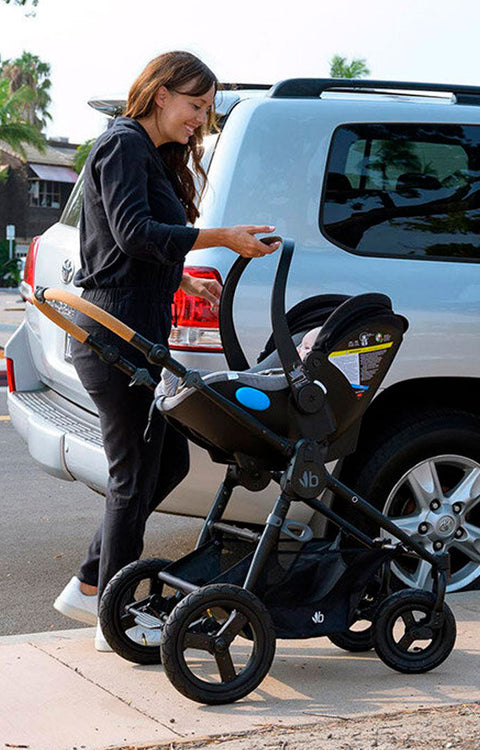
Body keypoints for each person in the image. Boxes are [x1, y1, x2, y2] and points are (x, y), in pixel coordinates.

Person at [52, 51, 280, 650]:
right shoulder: (123, 144)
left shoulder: (146, 153)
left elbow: (120, 247)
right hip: (113, 336)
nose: (200, 121)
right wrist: (219, 238)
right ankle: (114, 614)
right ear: (160, 94)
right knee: (134, 477)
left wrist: (180, 278)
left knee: (169, 464)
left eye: (206, 110)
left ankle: (90, 583)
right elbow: (132, 235)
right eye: (195, 106)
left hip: (135, 332)